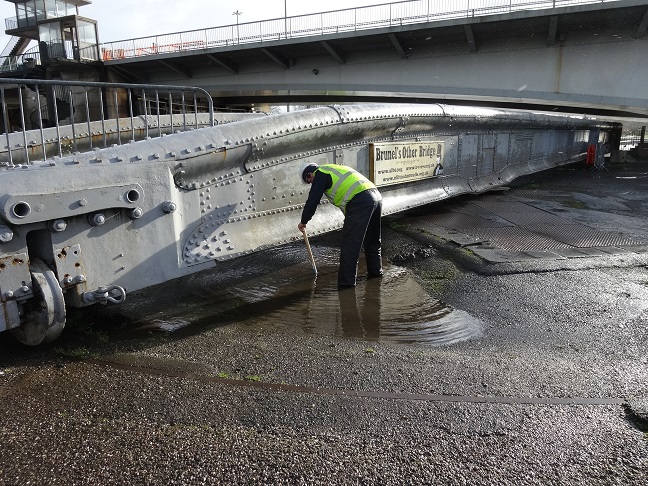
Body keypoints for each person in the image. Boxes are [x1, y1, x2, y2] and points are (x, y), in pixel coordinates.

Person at [298, 163, 383, 289]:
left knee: (350, 246)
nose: (310, 182)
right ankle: (376, 275)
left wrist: (303, 221)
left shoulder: (320, 173)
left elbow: (312, 200)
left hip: (360, 201)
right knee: (372, 242)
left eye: (308, 178)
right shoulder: (333, 169)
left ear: (311, 173)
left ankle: (346, 286)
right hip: (375, 197)